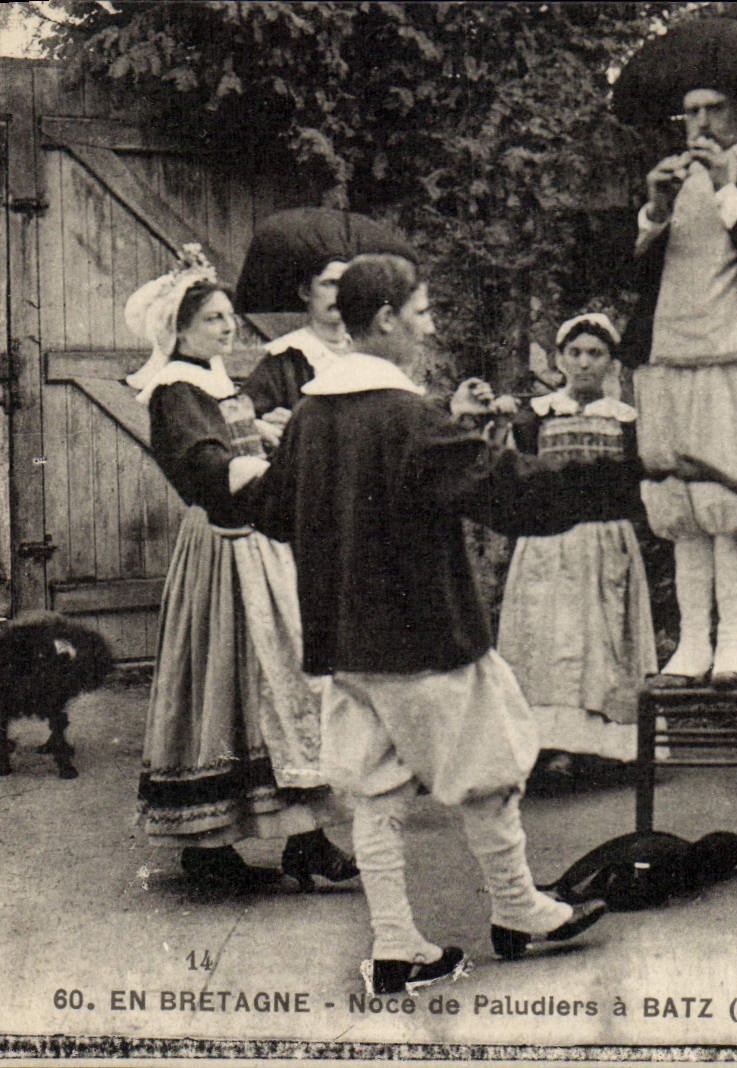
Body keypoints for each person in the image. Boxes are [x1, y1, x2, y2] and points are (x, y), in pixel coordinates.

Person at [238, 254, 630, 994]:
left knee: (375, 793)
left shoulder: (314, 416)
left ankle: (396, 944)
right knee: (489, 773)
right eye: (420, 313)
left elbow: (272, 511)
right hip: (426, 639)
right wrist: (630, 483)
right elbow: (514, 494)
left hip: (347, 646)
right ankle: (517, 908)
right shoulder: (408, 418)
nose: (428, 327)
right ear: (385, 319)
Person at [127, 245, 355, 893]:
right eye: (212, 321)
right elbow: (199, 463)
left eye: (229, 318)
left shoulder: (217, 381)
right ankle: (208, 844)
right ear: (180, 330)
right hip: (224, 549)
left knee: (285, 683)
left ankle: (307, 838)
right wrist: (262, 472)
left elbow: (244, 442)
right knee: (226, 687)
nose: (227, 329)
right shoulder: (176, 388)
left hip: (259, 542)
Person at [617, 37, 737, 689]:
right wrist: (654, 214)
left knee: (734, 504)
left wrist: (731, 193)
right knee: (684, 508)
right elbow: (631, 279)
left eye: (715, 109)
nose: (701, 124)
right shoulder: (668, 177)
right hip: (670, 360)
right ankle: (692, 643)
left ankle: (732, 644)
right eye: (691, 112)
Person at [495, 313, 657, 787]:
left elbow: (637, 484)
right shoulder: (535, 417)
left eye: (595, 354)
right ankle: (548, 745)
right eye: (576, 353)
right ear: (561, 359)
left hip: (605, 539)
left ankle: (609, 746)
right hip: (546, 542)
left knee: (601, 638)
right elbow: (512, 476)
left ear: (610, 363)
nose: (584, 363)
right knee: (546, 640)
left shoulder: (628, 422)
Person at [242, 257, 350, 448]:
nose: (340, 294)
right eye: (329, 284)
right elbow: (243, 415)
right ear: (305, 292)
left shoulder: (366, 351)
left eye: (347, 284)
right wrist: (260, 425)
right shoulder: (286, 357)